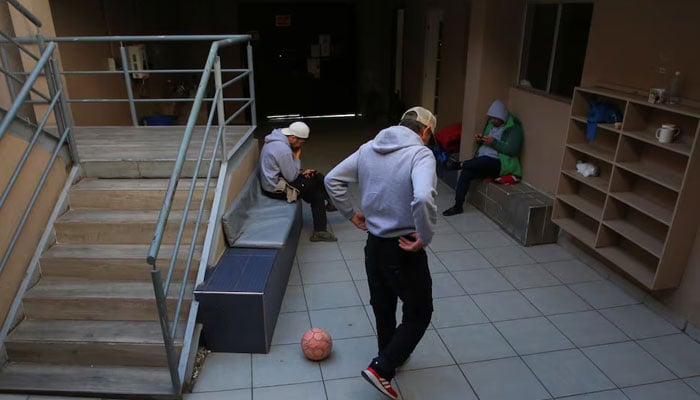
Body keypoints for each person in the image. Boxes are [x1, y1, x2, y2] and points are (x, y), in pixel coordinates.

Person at [324, 107, 437, 399]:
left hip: (373, 245)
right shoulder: (420, 154)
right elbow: (423, 197)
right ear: (425, 132)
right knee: (420, 311)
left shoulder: (368, 149)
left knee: (383, 305)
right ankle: (383, 368)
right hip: (403, 246)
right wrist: (424, 237)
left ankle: (388, 355)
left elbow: (332, 180)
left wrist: (350, 213)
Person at [442, 99, 523, 216]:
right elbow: (486, 142)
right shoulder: (491, 124)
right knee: (467, 171)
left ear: (502, 118)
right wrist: (481, 139)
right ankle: (458, 205)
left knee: (482, 161)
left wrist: (494, 142)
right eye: (491, 118)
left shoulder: (514, 129)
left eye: (495, 119)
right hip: (482, 160)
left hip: (499, 163)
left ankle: (459, 164)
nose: (492, 121)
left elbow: (512, 150)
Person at [259, 121, 337, 242]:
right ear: (293, 137)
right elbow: (291, 177)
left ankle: (321, 229)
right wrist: (296, 157)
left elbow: (283, 169)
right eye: (301, 141)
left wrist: (301, 172)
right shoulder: (283, 150)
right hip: (276, 189)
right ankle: (330, 204)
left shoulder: (275, 138)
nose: (301, 144)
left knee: (316, 187)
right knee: (317, 179)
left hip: (275, 181)